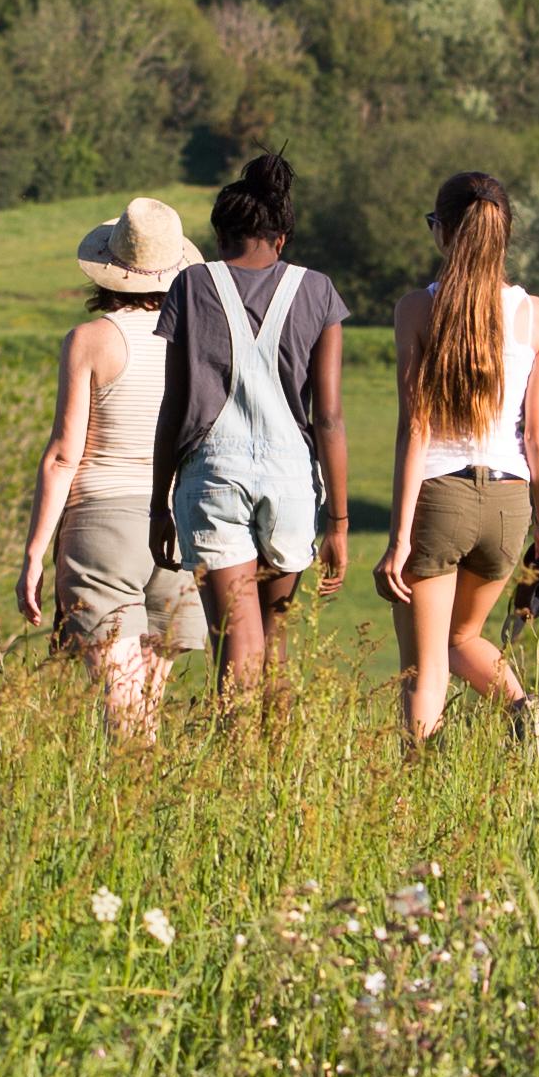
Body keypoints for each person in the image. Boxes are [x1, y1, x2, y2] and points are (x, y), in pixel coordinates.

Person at [147, 151, 349, 701]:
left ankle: (237, 764)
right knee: (275, 639)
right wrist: (339, 521)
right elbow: (328, 415)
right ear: (281, 239)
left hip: (212, 473)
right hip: (291, 476)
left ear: (218, 236)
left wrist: (158, 504)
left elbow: (174, 403)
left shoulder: (191, 286)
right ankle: (275, 766)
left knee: (236, 638)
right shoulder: (319, 291)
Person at [383, 168, 539, 750]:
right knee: (466, 639)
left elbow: (415, 428)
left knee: (429, 664)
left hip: (441, 495)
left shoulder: (417, 309)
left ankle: (418, 788)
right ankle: (523, 709)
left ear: (442, 233)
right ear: (503, 233)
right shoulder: (536, 315)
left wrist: (399, 536)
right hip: (510, 502)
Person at [18, 197, 207, 741]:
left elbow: (62, 455)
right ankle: (147, 804)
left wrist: (35, 554)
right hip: (177, 517)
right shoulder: (198, 340)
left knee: (121, 705)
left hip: (102, 518)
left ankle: (129, 802)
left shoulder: (92, 340)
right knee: (147, 698)